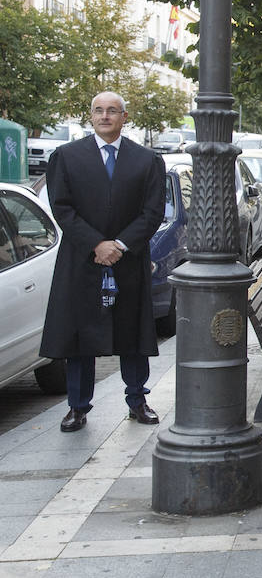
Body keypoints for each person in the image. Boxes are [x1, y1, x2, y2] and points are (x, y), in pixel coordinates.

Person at [40, 91, 166, 433]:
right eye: (99, 110)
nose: (105, 116)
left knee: (132, 334)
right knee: (79, 337)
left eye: (112, 111)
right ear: (91, 116)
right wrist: (97, 244)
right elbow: (62, 207)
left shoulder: (147, 160)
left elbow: (153, 211)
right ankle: (77, 407)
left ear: (125, 117)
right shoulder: (66, 157)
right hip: (83, 260)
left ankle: (138, 400)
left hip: (128, 260)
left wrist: (120, 245)